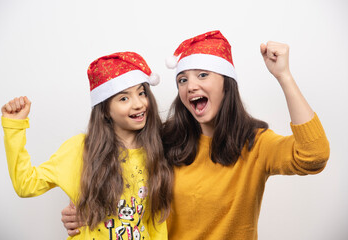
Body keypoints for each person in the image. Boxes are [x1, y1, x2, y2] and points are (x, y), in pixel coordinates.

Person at [61, 31, 330, 239]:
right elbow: (126, 192)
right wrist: (86, 212)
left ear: (226, 82)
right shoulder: (163, 141)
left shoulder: (255, 143)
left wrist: (284, 76)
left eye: (202, 74)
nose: (191, 86)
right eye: (182, 79)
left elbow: (314, 156)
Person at [2, 52, 173, 239]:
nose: (139, 104)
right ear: (105, 109)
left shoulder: (155, 151)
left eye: (141, 93)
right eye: (124, 98)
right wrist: (15, 127)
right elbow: (26, 184)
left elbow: (156, 223)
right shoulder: (80, 149)